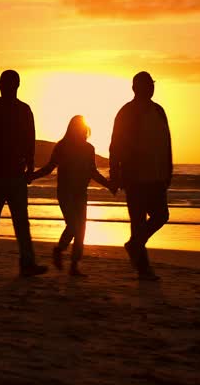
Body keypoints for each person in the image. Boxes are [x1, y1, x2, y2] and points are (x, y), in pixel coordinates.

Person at [0, 70, 47, 277]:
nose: (4, 86)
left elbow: (29, 139)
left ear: (16, 85)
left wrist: (30, 165)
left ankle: (25, 262)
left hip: (14, 172)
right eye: (3, 83)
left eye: (7, 83)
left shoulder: (23, 110)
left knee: (17, 219)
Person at [28, 115, 113, 276]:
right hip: (65, 192)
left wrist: (108, 185)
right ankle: (59, 250)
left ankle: (74, 265)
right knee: (74, 226)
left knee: (80, 230)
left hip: (81, 193)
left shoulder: (89, 148)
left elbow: (92, 171)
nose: (80, 131)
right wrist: (32, 176)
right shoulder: (62, 146)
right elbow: (49, 168)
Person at [109, 71, 172, 281]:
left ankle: (134, 244)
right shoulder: (126, 112)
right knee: (137, 222)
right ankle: (143, 269)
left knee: (161, 215)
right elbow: (115, 145)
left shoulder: (159, 111)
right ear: (136, 88)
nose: (151, 88)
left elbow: (166, 142)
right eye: (147, 84)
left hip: (156, 176)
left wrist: (169, 169)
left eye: (152, 84)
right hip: (134, 177)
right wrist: (115, 173)